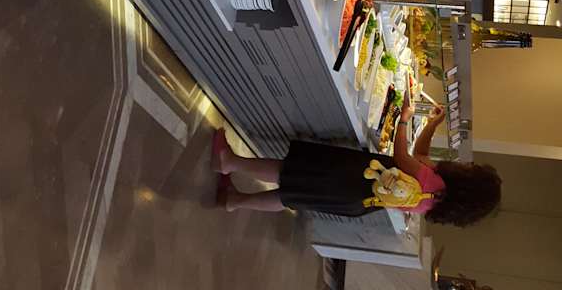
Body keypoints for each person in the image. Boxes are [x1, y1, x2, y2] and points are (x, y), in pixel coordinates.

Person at [211, 95, 501, 225]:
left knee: (291, 173)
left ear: (470, 183)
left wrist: (404, 119)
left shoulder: (433, 183)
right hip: (356, 200)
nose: (467, 165)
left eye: (472, 169)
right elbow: (421, 156)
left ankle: (230, 163)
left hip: (353, 179)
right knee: (292, 195)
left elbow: (403, 157)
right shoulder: (436, 199)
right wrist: (433, 125)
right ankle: (234, 201)